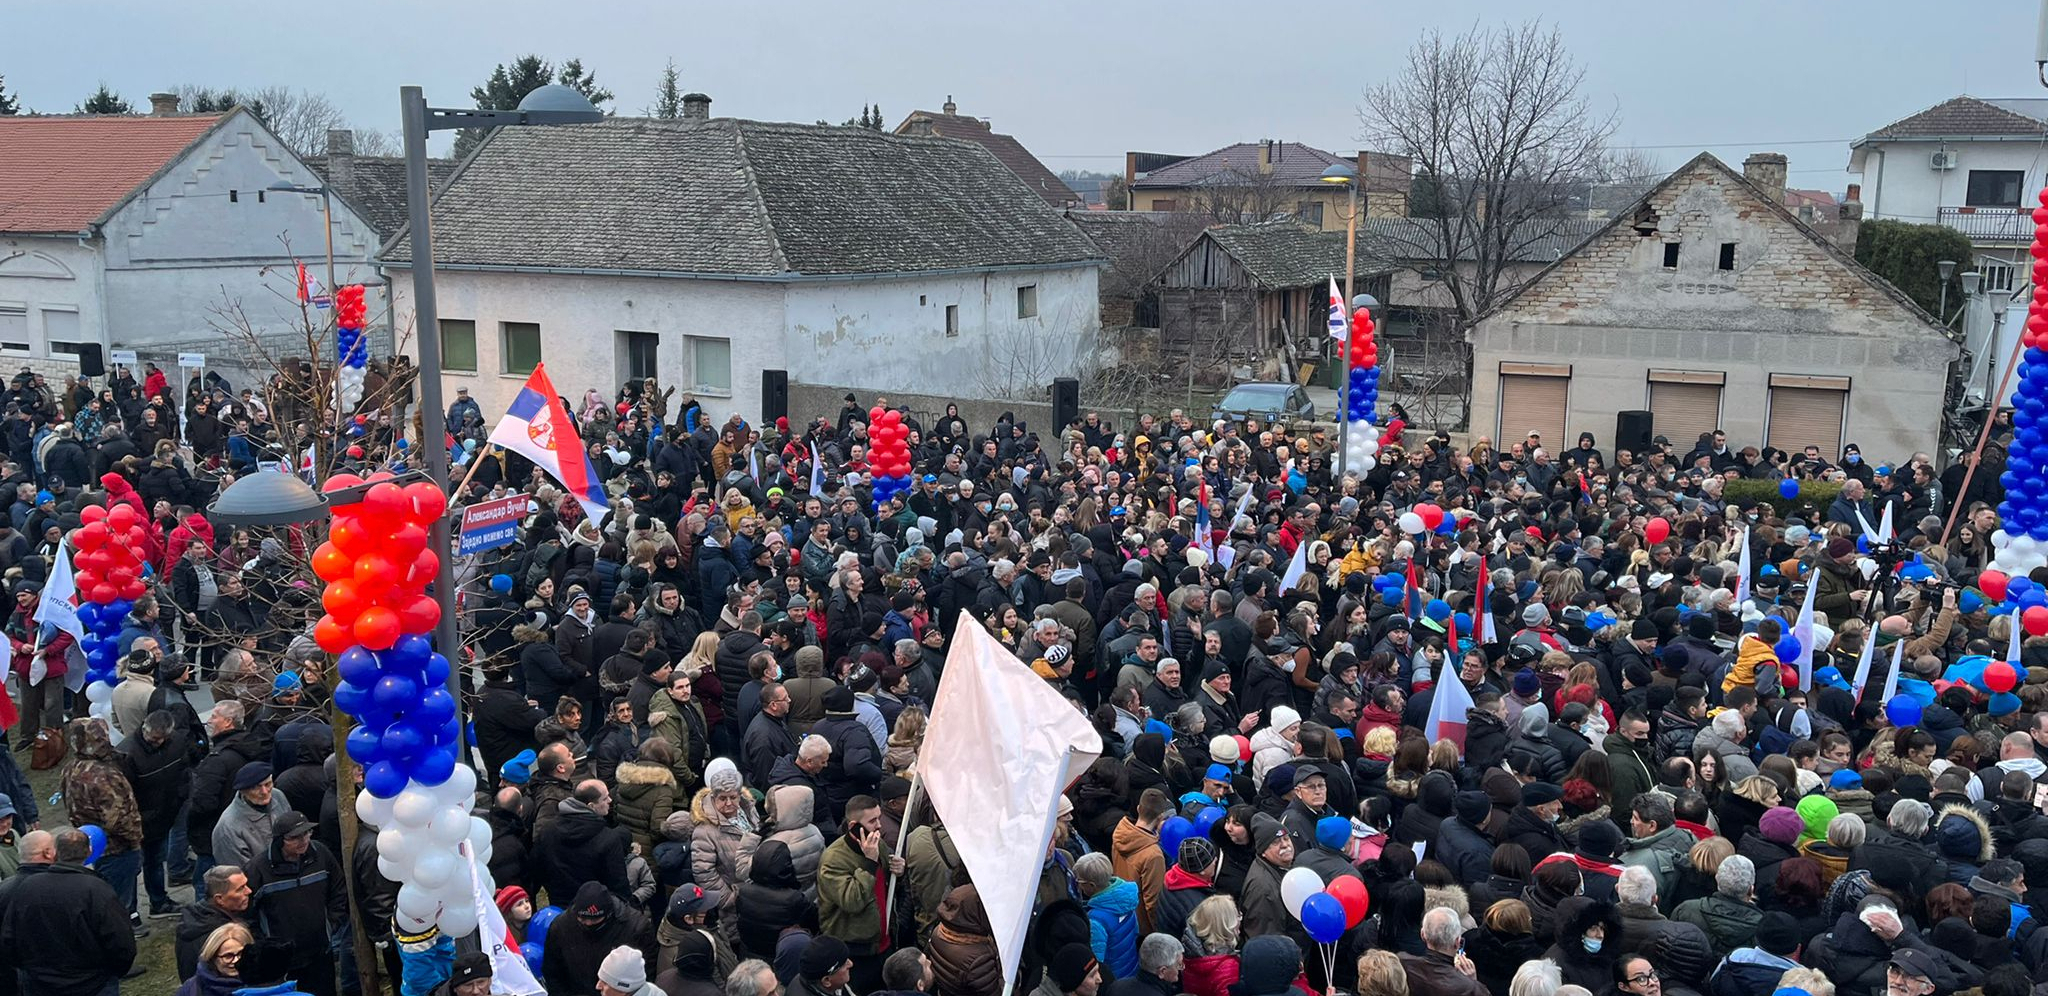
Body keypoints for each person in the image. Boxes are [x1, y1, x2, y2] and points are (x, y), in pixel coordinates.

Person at [0, 828, 137, 993]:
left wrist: (31, 971)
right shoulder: (94, 888)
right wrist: (111, 972)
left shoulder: (22, 888)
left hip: (41, 984)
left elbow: (8, 941)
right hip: (93, 984)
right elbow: (121, 940)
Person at [243, 811, 346, 996]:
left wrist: (331, 924)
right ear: (280, 840)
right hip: (282, 959)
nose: (303, 840)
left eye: (307, 833)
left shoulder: (321, 854)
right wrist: (265, 943)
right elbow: (246, 912)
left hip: (319, 951)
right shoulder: (258, 869)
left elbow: (338, 889)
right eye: (295, 837)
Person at [176, 864, 252, 980]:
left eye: (246, 885)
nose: (249, 891)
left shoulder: (195, 919)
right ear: (219, 899)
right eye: (240, 889)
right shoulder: (220, 936)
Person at [1399, 906, 1485, 996]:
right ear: (1457, 942)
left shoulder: (1402, 963)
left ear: (1423, 935)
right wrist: (1473, 982)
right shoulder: (1469, 988)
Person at [177, 921, 255, 996]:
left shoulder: (263, 985)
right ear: (212, 957)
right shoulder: (191, 989)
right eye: (228, 956)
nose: (236, 960)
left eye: (241, 954)